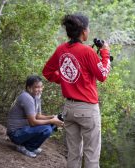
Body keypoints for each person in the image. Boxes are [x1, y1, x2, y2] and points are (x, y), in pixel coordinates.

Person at [42, 14, 111, 168]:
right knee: (91, 157)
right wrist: (105, 53)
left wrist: (65, 79)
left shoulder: (61, 49)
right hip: (87, 109)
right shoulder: (87, 52)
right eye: (88, 28)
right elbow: (103, 75)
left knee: (73, 155)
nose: (89, 30)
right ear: (83, 32)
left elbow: (47, 72)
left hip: (69, 109)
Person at [6, 75, 64, 158]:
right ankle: (27, 148)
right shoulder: (26, 97)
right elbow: (33, 122)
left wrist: (53, 117)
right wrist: (51, 121)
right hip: (16, 134)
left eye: (41, 87)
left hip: (24, 130)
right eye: (36, 87)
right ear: (29, 87)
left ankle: (28, 145)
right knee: (47, 129)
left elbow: (38, 116)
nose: (39, 89)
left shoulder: (36, 97)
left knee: (53, 125)